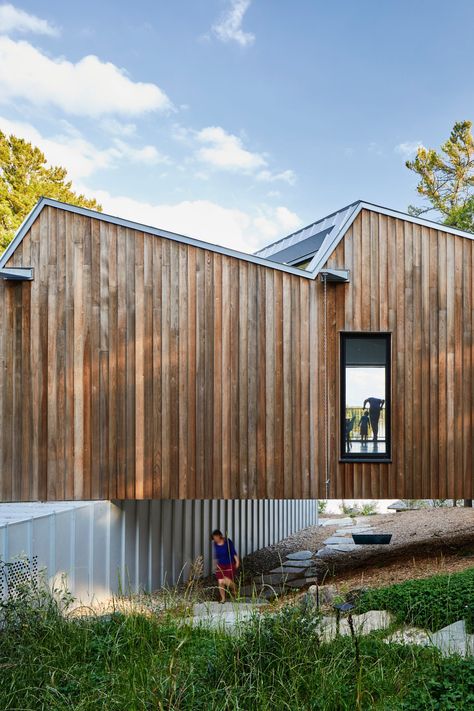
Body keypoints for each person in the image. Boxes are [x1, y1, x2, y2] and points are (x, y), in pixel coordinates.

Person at [211, 529, 240, 602]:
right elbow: (216, 555)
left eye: (216, 537)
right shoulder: (215, 543)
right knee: (220, 582)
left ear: (219, 536)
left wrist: (237, 561)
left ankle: (235, 588)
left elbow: (233, 551)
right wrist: (214, 565)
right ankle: (223, 599)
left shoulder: (227, 541)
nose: (215, 539)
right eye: (214, 538)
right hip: (220, 565)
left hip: (229, 564)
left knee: (226, 581)